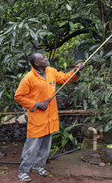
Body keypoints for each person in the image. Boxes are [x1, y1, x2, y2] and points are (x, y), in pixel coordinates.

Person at [14, 52, 84, 182]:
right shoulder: (28, 78)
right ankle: (23, 171)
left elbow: (64, 78)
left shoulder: (51, 71)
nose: (45, 59)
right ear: (36, 63)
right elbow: (19, 96)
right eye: (42, 58)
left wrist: (75, 70)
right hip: (37, 119)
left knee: (46, 146)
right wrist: (37, 104)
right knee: (32, 146)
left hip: (50, 117)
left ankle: (38, 167)